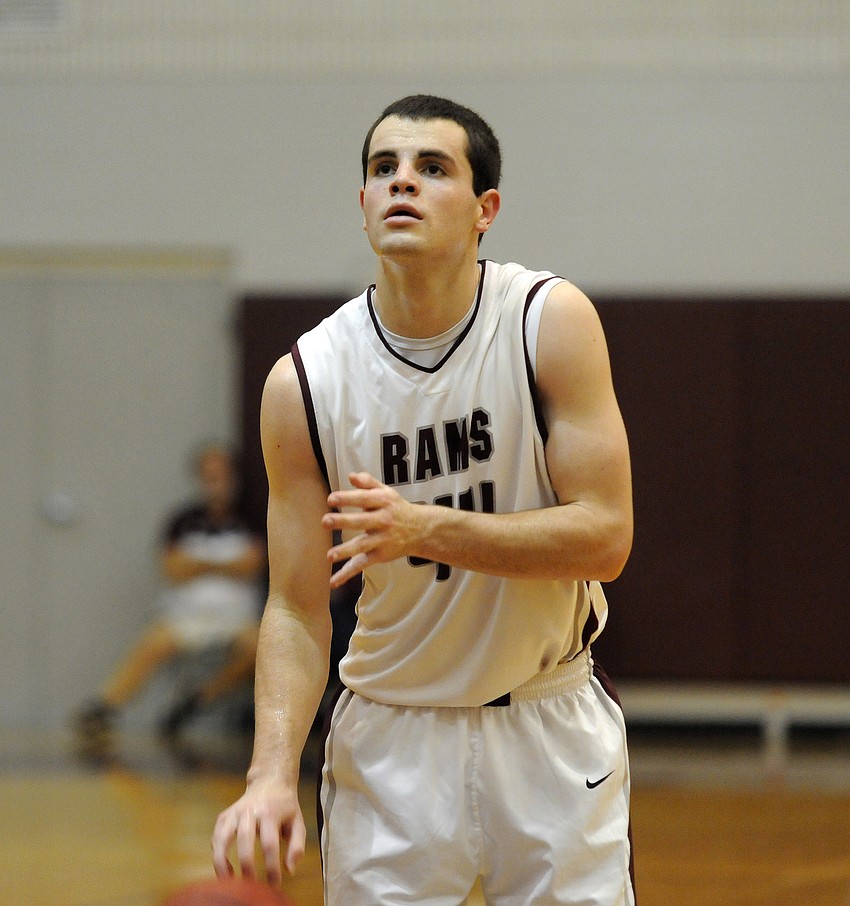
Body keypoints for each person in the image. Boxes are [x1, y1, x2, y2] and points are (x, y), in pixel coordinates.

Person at [212, 95, 635, 905]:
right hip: (392, 734)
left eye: (431, 168)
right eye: (383, 168)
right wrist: (269, 777)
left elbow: (605, 538)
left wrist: (426, 527)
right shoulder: (305, 380)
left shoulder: (546, 321)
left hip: (548, 722)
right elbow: (296, 610)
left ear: (486, 211)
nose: (402, 182)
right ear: (363, 205)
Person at [74, 443, 266, 742]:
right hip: (185, 617)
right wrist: (225, 564)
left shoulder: (251, 518)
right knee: (153, 643)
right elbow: (172, 569)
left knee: (262, 647)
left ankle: (199, 700)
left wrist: (198, 563)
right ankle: (104, 707)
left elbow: (252, 565)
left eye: (222, 475)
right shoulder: (181, 520)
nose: (216, 483)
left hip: (237, 619)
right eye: (209, 476)